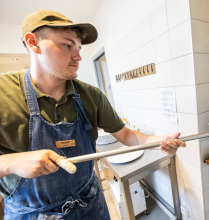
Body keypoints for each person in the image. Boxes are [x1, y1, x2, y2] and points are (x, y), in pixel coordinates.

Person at [0, 9, 186, 219]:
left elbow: (125, 134)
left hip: (90, 205)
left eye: (78, 47)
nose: (78, 56)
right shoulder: (4, 94)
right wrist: (12, 163)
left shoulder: (90, 95)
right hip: (31, 213)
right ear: (33, 42)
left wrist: (157, 140)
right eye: (68, 45)